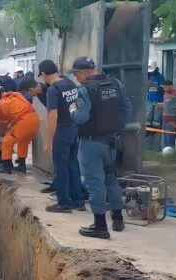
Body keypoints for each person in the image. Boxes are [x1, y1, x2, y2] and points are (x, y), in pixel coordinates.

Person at [68, 56, 132, 239]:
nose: (76, 79)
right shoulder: (116, 84)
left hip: (91, 143)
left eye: (75, 75)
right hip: (112, 142)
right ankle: (118, 219)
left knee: (95, 183)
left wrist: (72, 110)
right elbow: (127, 108)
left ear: (81, 73)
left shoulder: (84, 91)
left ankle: (100, 226)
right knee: (111, 179)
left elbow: (82, 117)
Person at [38, 59, 84, 213]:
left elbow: (53, 116)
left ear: (44, 74)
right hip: (73, 127)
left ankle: (64, 202)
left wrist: (49, 142)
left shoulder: (53, 89)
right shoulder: (69, 83)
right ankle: (78, 200)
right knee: (73, 164)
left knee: (60, 167)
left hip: (62, 130)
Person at [0, 85, 40, 174]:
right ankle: (22, 166)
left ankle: (7, 166)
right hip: (35, 119)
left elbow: (3, 125)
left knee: (7, 141)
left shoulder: (2, 104)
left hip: (25, 121)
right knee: (23, 142)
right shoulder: (15, 95)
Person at [158, 80, 176, 148]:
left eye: (166, 88)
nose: (164, 90)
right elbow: (167, 105)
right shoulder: (166, 94)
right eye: (164, 88)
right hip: (165, 121)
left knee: (170, 143)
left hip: (172, 122)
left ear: (170, 86)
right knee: (165, 143)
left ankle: (171, 156)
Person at [147, 60, 165, 130]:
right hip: (149, 100)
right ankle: (148, 133)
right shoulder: (147, 77)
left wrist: (156, 86)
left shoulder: (160, 77)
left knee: (156, 120)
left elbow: (163, 88)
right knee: (148, 119)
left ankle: (155, 132)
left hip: (158, 101)